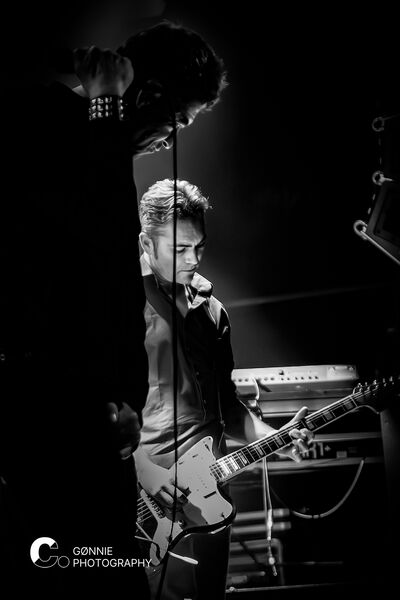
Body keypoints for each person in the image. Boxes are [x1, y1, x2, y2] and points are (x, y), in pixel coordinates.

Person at [0, 21, 227, 598]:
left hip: (94, 426)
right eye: (176, 123)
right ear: (148, 95)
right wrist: (105, 105)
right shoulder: (58, 127)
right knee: (90, 575)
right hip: (61, 427)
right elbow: (90, 261)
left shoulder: (96, 145)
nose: (167, 142)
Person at [135, 179, 314, 599]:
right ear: (146, 243)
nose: (193, 259)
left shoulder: (212, 310)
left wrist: (277, 438)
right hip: (148, 497)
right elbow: (95, 406)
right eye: (180, 248)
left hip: (212, 491)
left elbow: (227, 409)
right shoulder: (119, 305)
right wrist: (143, 469)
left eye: (199, 246)